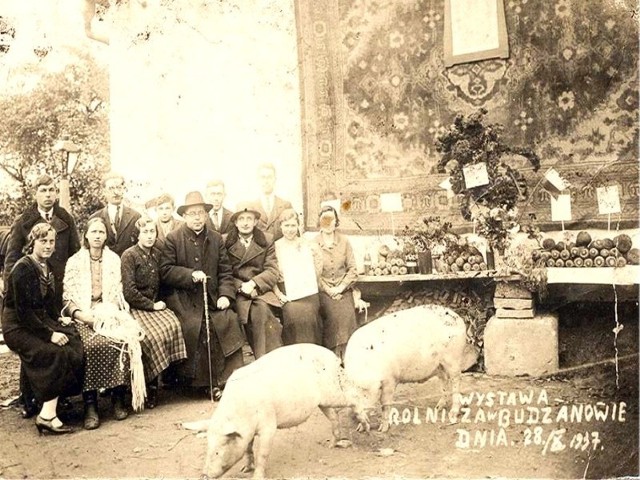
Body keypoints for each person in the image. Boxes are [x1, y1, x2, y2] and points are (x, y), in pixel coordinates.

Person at [3, 174, 81, 419]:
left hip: (53, 290)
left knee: (61, 341)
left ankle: (57, 399)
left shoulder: (65, 218)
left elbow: (75, 254)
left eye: (52, 190)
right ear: (36, 193)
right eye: (43, 190)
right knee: (39, 347)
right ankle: (32, 400)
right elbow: (13, 255)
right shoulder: (24, 221)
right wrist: (10, 285)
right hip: (27, 288)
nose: (48, 195)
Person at [160, 191, 245, 398]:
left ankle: (230, 380)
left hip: (213, 297)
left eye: (200, 213)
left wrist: (226, 294)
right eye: (192, 214)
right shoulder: (173, 239)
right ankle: (199, 384)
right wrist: (189, 275)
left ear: (206, 216)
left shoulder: (216, 239)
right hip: (185, 300)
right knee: (194, 325)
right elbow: (166, 270)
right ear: (185, 217)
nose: (197, 218)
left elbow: (225, 271)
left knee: (228, 320)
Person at [63, 217, 144, 430]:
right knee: (90, 346)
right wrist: (81, 314)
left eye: (101, 232)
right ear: (86, 235)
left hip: (108, 311)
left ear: (106, 236)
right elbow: (67, 296)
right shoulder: (74, 261)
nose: (98, 236)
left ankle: (118, 397)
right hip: (85, 314)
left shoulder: (114, 260)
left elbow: (119, 292)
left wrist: (111, 312)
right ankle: (91, 405)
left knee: (122, 341)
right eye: (94, 232)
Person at [121, 216, 188, 408]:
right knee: (150, 336)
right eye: (145, 232)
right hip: (136, 307)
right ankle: (150, 386)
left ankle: (170, 377)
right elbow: (129, 292)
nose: (149, 236)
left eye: (152, 232)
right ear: (137, 235)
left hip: (156, 304)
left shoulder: (158, 254)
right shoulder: (129, 255)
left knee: (174, 324)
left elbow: (166, 280)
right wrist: (151, 305)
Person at [225, 203, 282, 358]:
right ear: (235, 223)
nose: (245, 223)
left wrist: (254, 283)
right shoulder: (225, 242)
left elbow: (272, 270)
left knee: (262, 311)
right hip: (234, 291)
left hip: (259, 290)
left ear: (256, 221)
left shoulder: (266, 240)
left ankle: (267, 360)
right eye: (241, 219)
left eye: (249, 218)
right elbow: (223, 271)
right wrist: (240, 286)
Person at [272, 208, 323, 345]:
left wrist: (311, 282)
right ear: (281, 226)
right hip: (287, 293)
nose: (290, 229)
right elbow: (270, 273)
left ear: (298, 226)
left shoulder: (308, 244)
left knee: (312, 318)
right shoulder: (275, 247)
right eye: (286, 225)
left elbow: (318, 267)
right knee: (294, 318)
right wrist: (279, 294)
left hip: (308, 292)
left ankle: (313, 354)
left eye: (293, 225)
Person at [314, 205, 358, 360]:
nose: (327, 223)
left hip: (343, 290)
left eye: (330, 219)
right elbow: (313, 274)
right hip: (323, 292)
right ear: (319, 222)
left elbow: (353, 270)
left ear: (336, 222)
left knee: (346, 314)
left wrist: (340, 288)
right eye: (324, 219)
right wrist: (328, 290)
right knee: (332, 315)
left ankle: (347, 357)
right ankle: (333, 358)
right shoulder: (313, 244)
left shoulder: (344, 241)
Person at [90, 172, 141, 256]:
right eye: (111, 188)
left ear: (124, 189)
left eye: (119, 188)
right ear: (104, 191)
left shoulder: (135, 217)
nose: (116, 192)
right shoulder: (95, 218)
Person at [247, 162, 293, 238]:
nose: (266, 181)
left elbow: (294, 235)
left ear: (274, 179)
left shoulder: (286, 205)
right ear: (258, 180)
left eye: (269, 177)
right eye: (263, 177)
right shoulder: (251, 207)